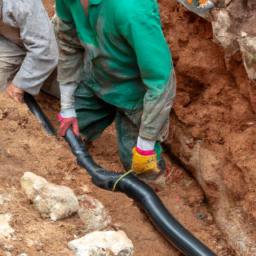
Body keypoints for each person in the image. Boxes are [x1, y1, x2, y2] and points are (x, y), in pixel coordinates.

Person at [55, 0, 176, 182]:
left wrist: (145, 145)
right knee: (66, 139)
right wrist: (67, 108)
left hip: (136, 98)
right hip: (97, 78)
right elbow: (68, 45)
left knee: (144, 174)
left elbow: (161, 82)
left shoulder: (132, 8)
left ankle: (155, 189)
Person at [0, 0, 59, 102]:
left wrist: (20, 84)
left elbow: (46, 48)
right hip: (11, 41)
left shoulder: (23, 4)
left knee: (67, 89)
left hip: (49, 46)